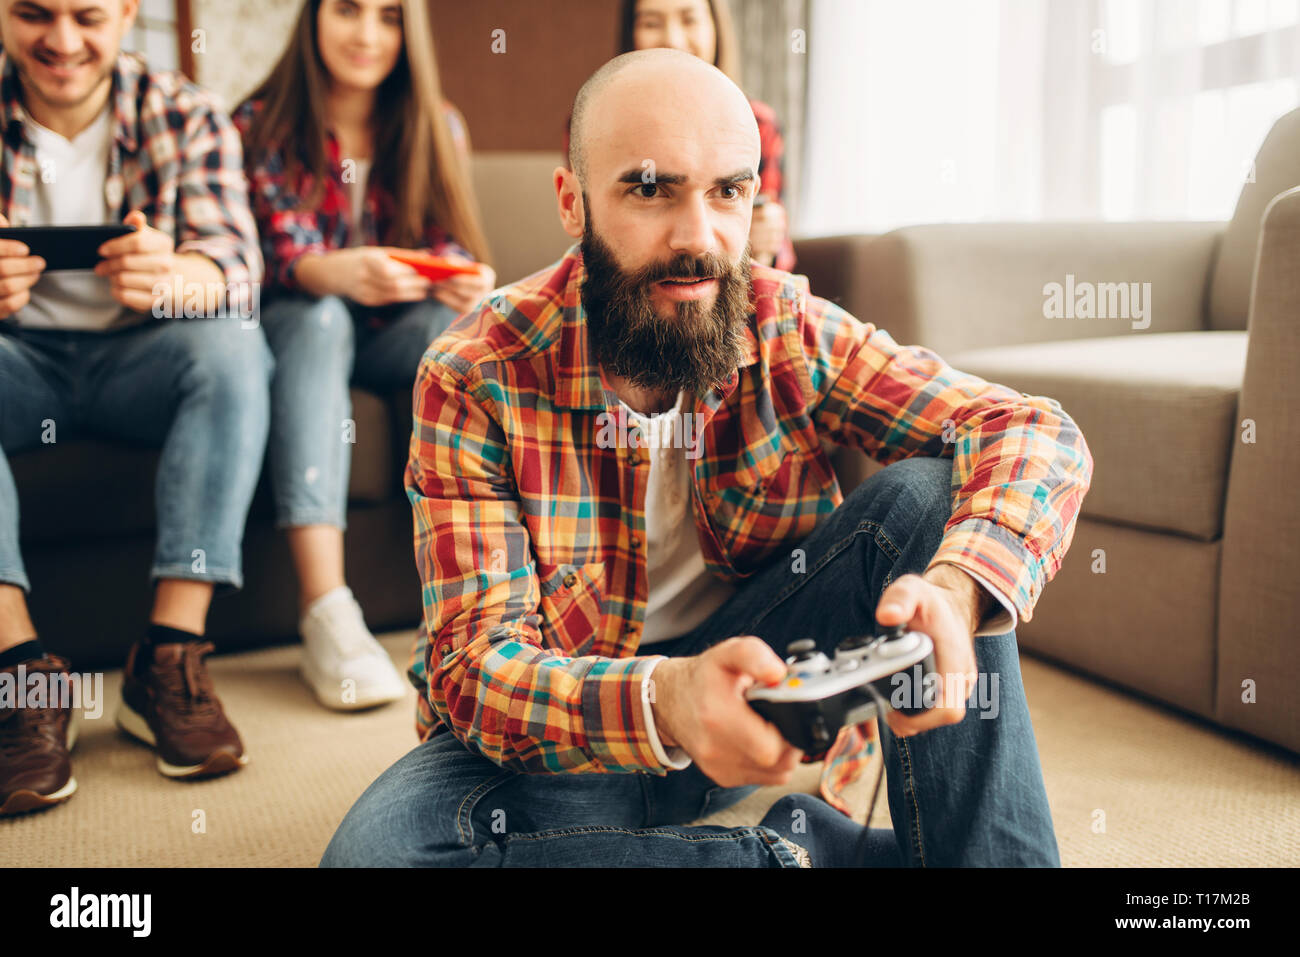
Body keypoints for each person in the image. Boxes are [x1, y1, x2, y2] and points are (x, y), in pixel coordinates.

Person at [322, 48, 1093, 868]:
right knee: (380, 856)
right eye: (650, 188)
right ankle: (799, 855)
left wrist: (958, 588)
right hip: (577, 738)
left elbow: (1029, 429)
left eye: (727, 190)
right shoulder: (474, 371)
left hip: (766, 690)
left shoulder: (783, 321)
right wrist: (669, 699)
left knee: (930, 496)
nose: (698, 239)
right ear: (572, 203)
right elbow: (475, 668)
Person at [0, 0, 269, 815]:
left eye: (87, 14)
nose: (63, 41)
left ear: (126, 11)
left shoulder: (185, 113)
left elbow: (239, 266)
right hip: (16, 366)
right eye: (32, 14)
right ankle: (19, 675)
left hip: (141, 364)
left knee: (232, 341)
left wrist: (187, 277)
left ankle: (169, 657)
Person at [233, 0, 495, 711]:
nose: (367, 35)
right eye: (347, 10)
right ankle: (327, 610)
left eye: (387, 16)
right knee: (318, 320)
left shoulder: (436, 123)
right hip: (298, 328)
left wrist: (457, 275)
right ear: (313, 16)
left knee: (463, 337)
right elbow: (261, 257)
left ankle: (482, 601)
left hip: (389, 331)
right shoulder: (255, 124)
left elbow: (450, 238)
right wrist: (342, 270)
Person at [619, 0, 794, 271]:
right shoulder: (601, 125)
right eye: (651, 23)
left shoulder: (757, 123)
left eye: (689, 20)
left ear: (715, 28)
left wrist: (767, 242)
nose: (672, 40)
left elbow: (775, 254)